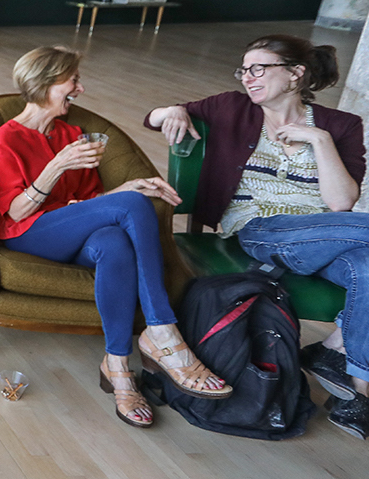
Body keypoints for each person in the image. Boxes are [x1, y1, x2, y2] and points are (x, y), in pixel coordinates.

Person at [0, 45, 232, 428]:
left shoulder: (72, 133)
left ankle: (117, 364)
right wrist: (55, 167)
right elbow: (16, 212)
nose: (80, 89)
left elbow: (87, 202)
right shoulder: (5, 140)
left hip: (71, 227)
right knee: (132, 206)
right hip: (28, 232)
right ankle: (162, 331)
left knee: (114, 242)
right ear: (47, 82)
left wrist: (129, 187)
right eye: (73, 80)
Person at [145, 34, 369, 438]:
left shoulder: (341, 127)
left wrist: (318, 140)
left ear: (296, 74)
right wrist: (174, 110)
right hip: (262, 229)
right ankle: (347, 373)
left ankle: (349, 378)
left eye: (259, 68)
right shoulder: (232, 107)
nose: (248, 77)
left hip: (324, 234)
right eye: (244, 69)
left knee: (368, 269)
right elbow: (153, 116)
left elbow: (340, 203)